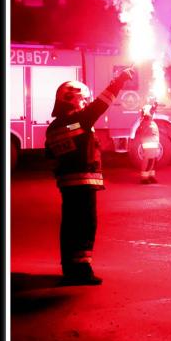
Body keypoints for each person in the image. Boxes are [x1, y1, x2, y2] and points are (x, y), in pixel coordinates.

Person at [45, 66, 134, 286]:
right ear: (71, 99)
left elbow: (50, 154)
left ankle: (70, 267)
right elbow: (98, 107)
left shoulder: (55, 126)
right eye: (83, 99)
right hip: (82, 182)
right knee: (84, 225)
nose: (85, 103)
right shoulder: (76, 122)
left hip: (67, 183)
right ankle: (81, 270)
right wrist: (119, 80)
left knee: (70, 225)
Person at [135, 104, 161, 184]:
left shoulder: (150, 121)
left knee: (153, 161)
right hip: (149, 145)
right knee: (148, 161)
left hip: (154, 144)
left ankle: (150, 176)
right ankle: (144, 178)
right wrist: (154, 107)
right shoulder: (146, 120)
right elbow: (151, 111)